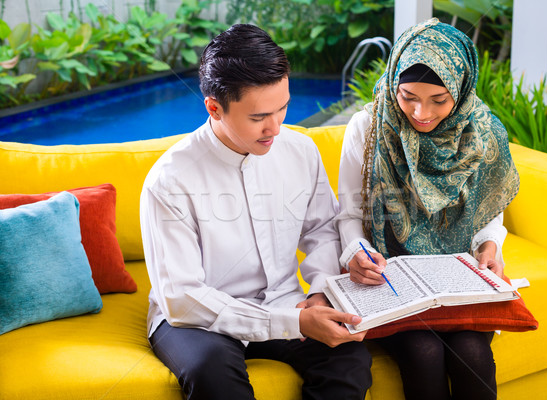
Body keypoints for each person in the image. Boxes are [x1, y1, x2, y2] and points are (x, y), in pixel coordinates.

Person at [140, 24, 372, 400]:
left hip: (286, 301)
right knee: (210, 371)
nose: (276, 127)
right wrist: (293, 321)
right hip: (198, 320)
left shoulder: (300, 150)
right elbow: (182, 298)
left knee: (349, 358)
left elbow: (323, 229)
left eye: (283, 107)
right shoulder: (168, 181)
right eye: (259, 117)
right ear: (214, 108)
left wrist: (319, 293)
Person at [336, 18, 520, 400]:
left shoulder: (481, 130)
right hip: (390, 278)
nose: (421, 113)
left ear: (462, 88)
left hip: (458, 280)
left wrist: (491, 246)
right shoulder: (367, 126)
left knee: (472, 352)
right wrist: (357, 251)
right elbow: (351, 214)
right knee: (423, 350)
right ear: (393, 85)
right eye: (408, 97)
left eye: (439, 100)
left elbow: (487, 210)